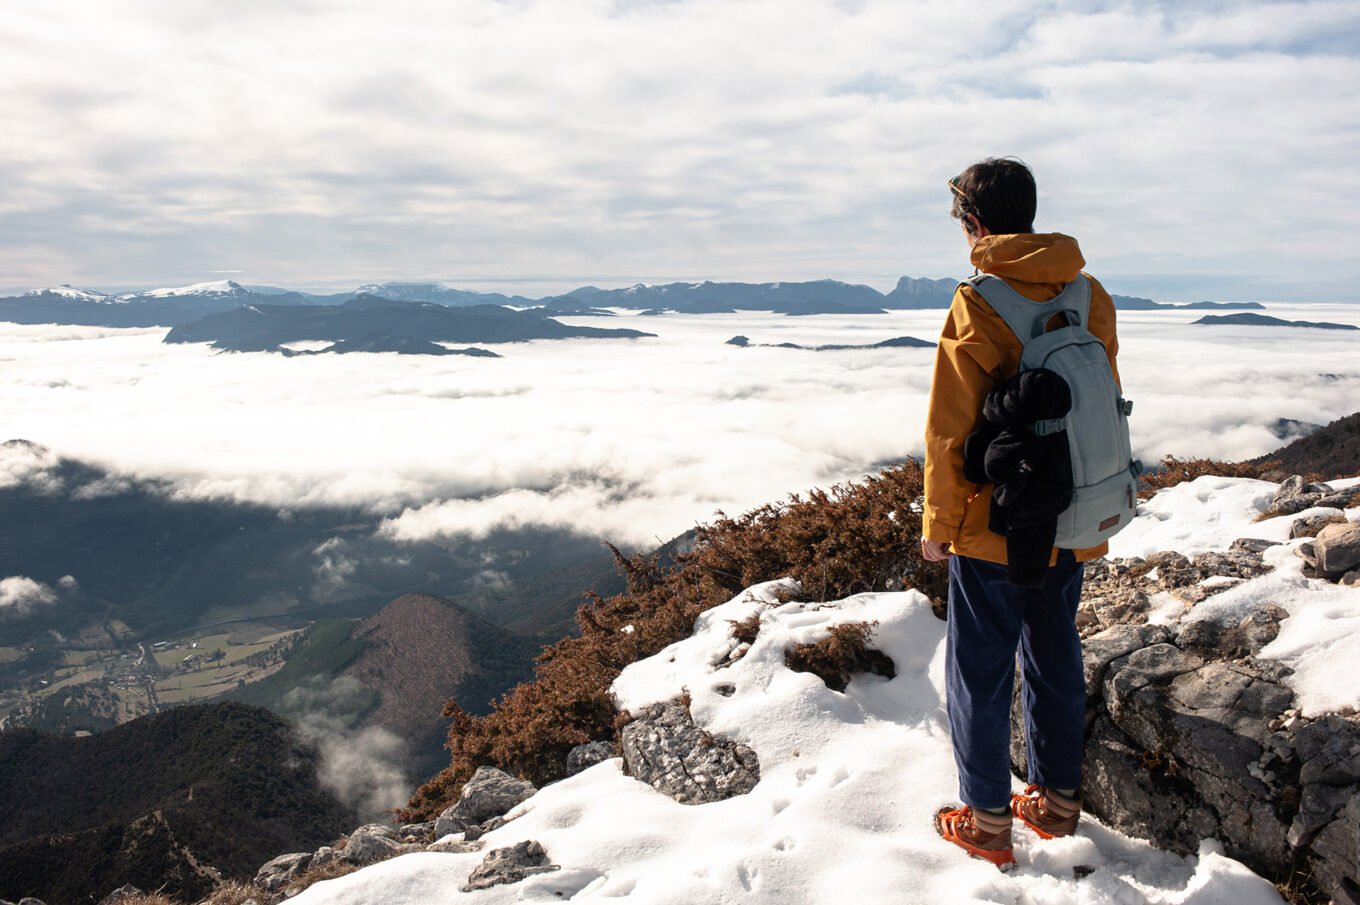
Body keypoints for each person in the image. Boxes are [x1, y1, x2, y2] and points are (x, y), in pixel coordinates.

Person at [921, 157, 1121, 869]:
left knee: (979, 670)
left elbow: (950, 428)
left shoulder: (978, 302)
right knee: (1054, 649)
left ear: (974, 222)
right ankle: (1057, 802)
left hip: (997, 524)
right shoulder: (1089, 293)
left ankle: (985, 821)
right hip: (1073, 510)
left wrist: (939, 526)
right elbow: (1101, 401)